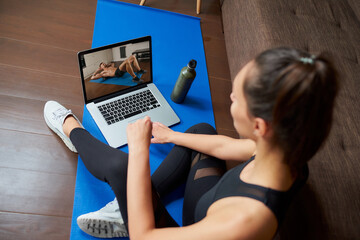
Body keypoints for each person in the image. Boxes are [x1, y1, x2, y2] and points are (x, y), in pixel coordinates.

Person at [44, 47, 338, 239]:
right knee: (202, 131)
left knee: (123, 168)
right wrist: (170, 136)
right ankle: (128, 208)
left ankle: (71, 129)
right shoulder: (287, 151)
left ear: (260, 126)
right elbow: (224, 147)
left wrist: (138, 151)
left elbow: (144, 236)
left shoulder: (246, 221)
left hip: (196, 227)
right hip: (212, 204)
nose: (231, 98)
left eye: (235, 97)